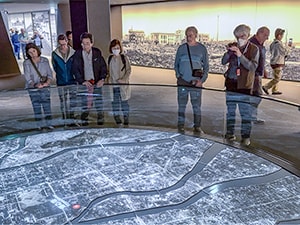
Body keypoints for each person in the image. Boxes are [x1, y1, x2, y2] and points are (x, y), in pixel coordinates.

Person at [221, 24, 259, 146]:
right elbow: (223, 62)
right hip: (231, 84)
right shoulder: (234, 46)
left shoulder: (254, 49)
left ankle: (245, 136)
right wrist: (228, 52)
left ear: (248, 35)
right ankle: (230, 133)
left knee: (245, 113)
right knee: (230, 112)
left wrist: (240, 55)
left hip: (244, 86)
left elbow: (252, 67)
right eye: (237, 36)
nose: (239, 38)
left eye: (242, 35)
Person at [174, 26, 209, 134]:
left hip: (196, 84)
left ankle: (197, 126)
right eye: (187, 35)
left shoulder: (202, 49)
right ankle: (180, 126)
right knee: (181, 106)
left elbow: (206, 67)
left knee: (196, 106)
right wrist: (179, 76)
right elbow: (176, 64)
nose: (188, 37)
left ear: (196, 35)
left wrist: (201, 81)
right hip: (183, 82)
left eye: (191, 35)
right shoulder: (181, 48)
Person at [72, 32, 107, 126]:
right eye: (83, 43)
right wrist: (82, 81)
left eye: (88, 43)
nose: (85, 45)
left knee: (98, 102)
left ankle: (100, 118)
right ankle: (84, 119)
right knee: (85, 102)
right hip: (85, 84)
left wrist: (102, 79)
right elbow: (75, 70)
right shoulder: (77, 54)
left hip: (96, 83)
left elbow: (103, 67)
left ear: (92, 43)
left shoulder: (97, 52)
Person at [23, 43, 54, 130]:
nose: (33, 54)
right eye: (30, 52)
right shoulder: (27, 63)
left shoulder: (44, 60)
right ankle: (39, 124)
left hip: (45, 87)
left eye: (34, 51)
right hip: (33, 89)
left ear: (37, 50)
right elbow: (27, 77)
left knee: (47, 106)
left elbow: (50, 74)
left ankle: (49, 123)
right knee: (36, 107)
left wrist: (46, 83)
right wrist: (35, 85)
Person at [52, 34, 77, 126]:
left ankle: (71, 118)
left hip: (72, 80)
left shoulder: (73, 53)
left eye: (64, 44)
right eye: (60, 44)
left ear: (67, 41)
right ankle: (64, 119)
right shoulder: (55, 54)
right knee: (63, 102)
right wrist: (60, 75)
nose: (63, 46)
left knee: (73, 101)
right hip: (61, 81)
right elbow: (55, 67)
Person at [107, 39, 131, 126]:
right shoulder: (109, 59)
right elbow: (107, 72)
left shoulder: (124, 58)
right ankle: (118, 121)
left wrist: (123, 80)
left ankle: (126, 120)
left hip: (122, 86)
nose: (116, 50)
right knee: (115, 105)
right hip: (113, 87)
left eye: (117, 48)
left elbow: (128, 70)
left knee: (124, 104)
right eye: (114, 48)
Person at [249, 26, 270, 124]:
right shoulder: (252, 44)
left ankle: (251, 116)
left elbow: (260, 59)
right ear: (260, 33)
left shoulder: (260, 45)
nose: (267, 38)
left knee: (256, 96)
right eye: (266, 35)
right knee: (256, 96)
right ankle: (251, 117)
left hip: (257, 74)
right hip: (253, 75)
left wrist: (264, 69)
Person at [262, 28, 291, 95]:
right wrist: (289, 47)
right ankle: (266, 87)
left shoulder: (273, 43)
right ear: (279, 35)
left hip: (274, 62)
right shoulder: (278, 44)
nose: (282, 37)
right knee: (277, 78)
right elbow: (285, 52)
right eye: (282, 35)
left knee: (275, 76)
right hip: (277, 63)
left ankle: (274, 90)